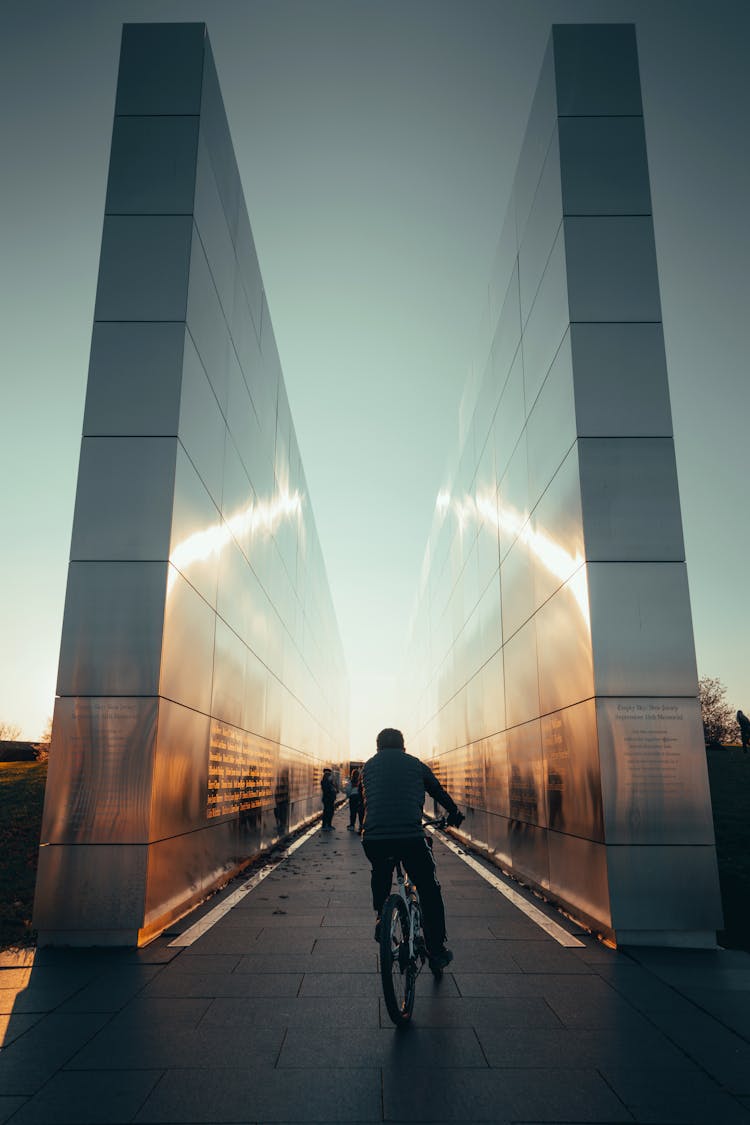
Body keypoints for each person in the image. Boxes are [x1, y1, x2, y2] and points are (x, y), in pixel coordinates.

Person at [361, 727, 464, 972]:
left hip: (374, 838)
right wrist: (454, 813)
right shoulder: (415, 765)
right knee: (429, 889)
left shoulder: (368, 767)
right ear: (403, 746)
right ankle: (437, 951)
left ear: (378, 748)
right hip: (409, 837)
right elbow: (436, 790)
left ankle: (381, 916)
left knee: (381, 870)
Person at [347, 766, 364, 831]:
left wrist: (349, 796)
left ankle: (352, 825)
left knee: (353, 812)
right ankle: (361, 825)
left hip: (353, 797)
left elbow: (348, 790)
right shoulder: (361, 781)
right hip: (360, 797)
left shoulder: (351, 782)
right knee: (360, 812)